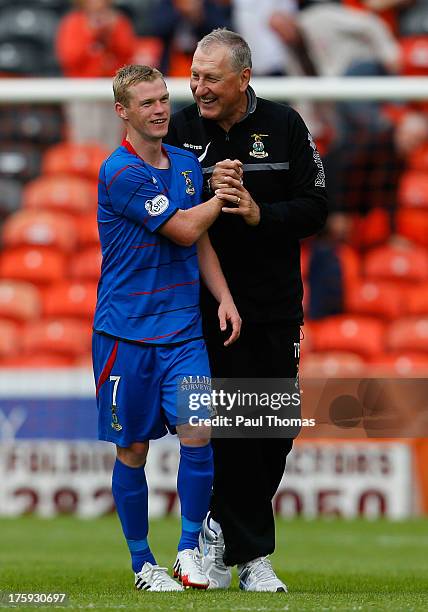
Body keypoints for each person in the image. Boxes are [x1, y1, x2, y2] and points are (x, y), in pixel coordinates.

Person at [166, 29, 328, 592]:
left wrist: (260, 214)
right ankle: (253, 556)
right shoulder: (181, 130)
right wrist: (210, 194)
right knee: (231, 425)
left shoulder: (285, 125)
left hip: (275, 302)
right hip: (202, 305)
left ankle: (220, 528)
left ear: (244, 77)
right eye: (194, 75)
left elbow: (316, 207)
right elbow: (164, 214)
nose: (199, 87)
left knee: (274, 428)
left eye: (211, 77)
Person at [92, 64, 241, 592]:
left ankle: (186, 551)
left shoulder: (183, 165)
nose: (159, 110)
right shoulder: (119, 172)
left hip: (182, 333)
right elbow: (183, 229)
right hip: (125, 336)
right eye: (146, 103)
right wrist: (221, 197)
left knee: (199, 438)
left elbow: (201, 243)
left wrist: (223, 297)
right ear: (123, 112)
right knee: (133, 450)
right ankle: (142, 564)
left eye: (162, 99)